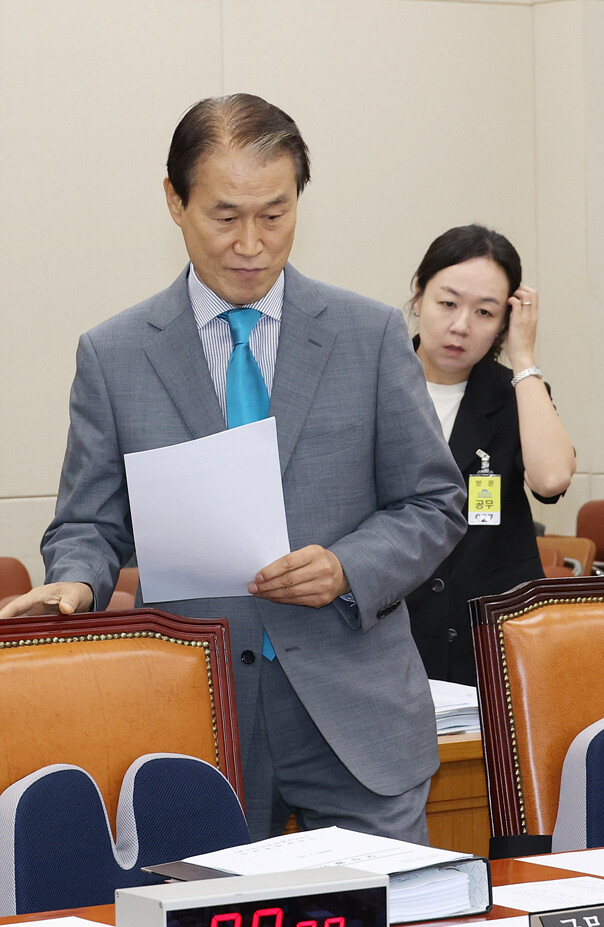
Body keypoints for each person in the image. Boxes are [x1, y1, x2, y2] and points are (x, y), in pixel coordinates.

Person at [0, 94, 467, 844]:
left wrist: (347, 567)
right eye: (224, 216)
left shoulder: (367, 334)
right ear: (174, 202)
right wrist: (76, 579)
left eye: (274, 214)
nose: (251, 243)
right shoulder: (116, 355)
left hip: (356, 712)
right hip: (197, 713)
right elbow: (90, 520)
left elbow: (433, 502)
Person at [405, 224, 575, 685]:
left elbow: (552, 477)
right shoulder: (376, 384)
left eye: (485, 312)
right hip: (398, 634)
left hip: (493, 640)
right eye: (447, 303)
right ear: (418, 296)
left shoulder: (516, 393)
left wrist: (523, 358)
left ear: (505, 321)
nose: (461, 325)